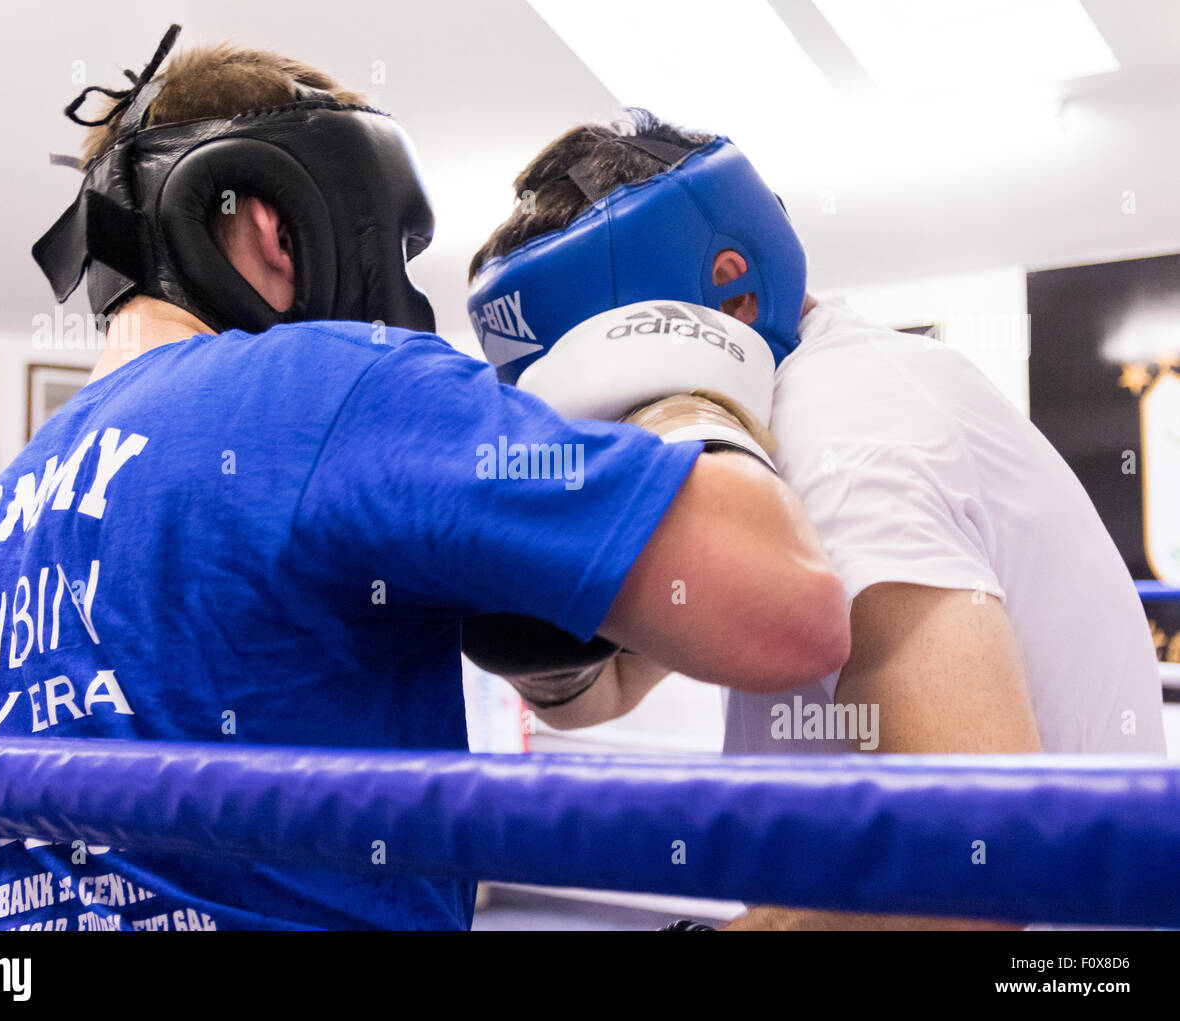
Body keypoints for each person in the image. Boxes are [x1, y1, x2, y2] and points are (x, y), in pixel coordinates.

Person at [0, 30, 847, 931]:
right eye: (390, 247)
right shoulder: (322, 386)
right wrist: (682, 378)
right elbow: (790, 610)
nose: (397, 290)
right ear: (278, 227)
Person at [466, 108, 1166, 930]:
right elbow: (603, 686)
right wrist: (524, 614)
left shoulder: (848, 446)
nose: (610, 430)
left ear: (733, 284)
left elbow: (973, 874)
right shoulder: (765, 432)